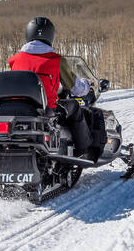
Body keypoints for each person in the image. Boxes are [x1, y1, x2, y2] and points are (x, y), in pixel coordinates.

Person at [8, 17, 96, 157]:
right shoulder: (56, 60)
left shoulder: (15, 59)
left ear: (28, 34)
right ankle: (83, 149)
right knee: (74, 106)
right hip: (46, 109)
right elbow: (77, 89)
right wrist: (86, 84)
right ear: (50, 36)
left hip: (17, 108)